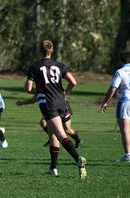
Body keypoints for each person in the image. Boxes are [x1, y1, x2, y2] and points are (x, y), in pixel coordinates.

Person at [25, 40, 86, 178]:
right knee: (52, 134)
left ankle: (78, 159)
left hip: (48, 103)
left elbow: (28, 88)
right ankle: (53, 168)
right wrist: (65, 93)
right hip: (62, 102)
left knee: (60, 134)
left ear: (40, 51)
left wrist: (39, 90)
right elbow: (73, 82)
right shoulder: (60, 65)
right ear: (52, 50)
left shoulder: (35, 67)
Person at [100, 50, 130, 162]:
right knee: (128, 127)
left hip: (125, 102)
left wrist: (106, 101)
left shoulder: (120, 72)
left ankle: (127, 155)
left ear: (121, 60)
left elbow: (113, 88)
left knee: (125, 129)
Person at [16, 96, 82, 148]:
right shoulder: (41, 85)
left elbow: (33, 99)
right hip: (51, 108)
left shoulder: (48, 85)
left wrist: (22, 102)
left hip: (62, 106)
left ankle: (78, 140)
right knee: (43, 122)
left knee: (67, 129)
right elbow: (34, 98)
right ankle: (52, 138)